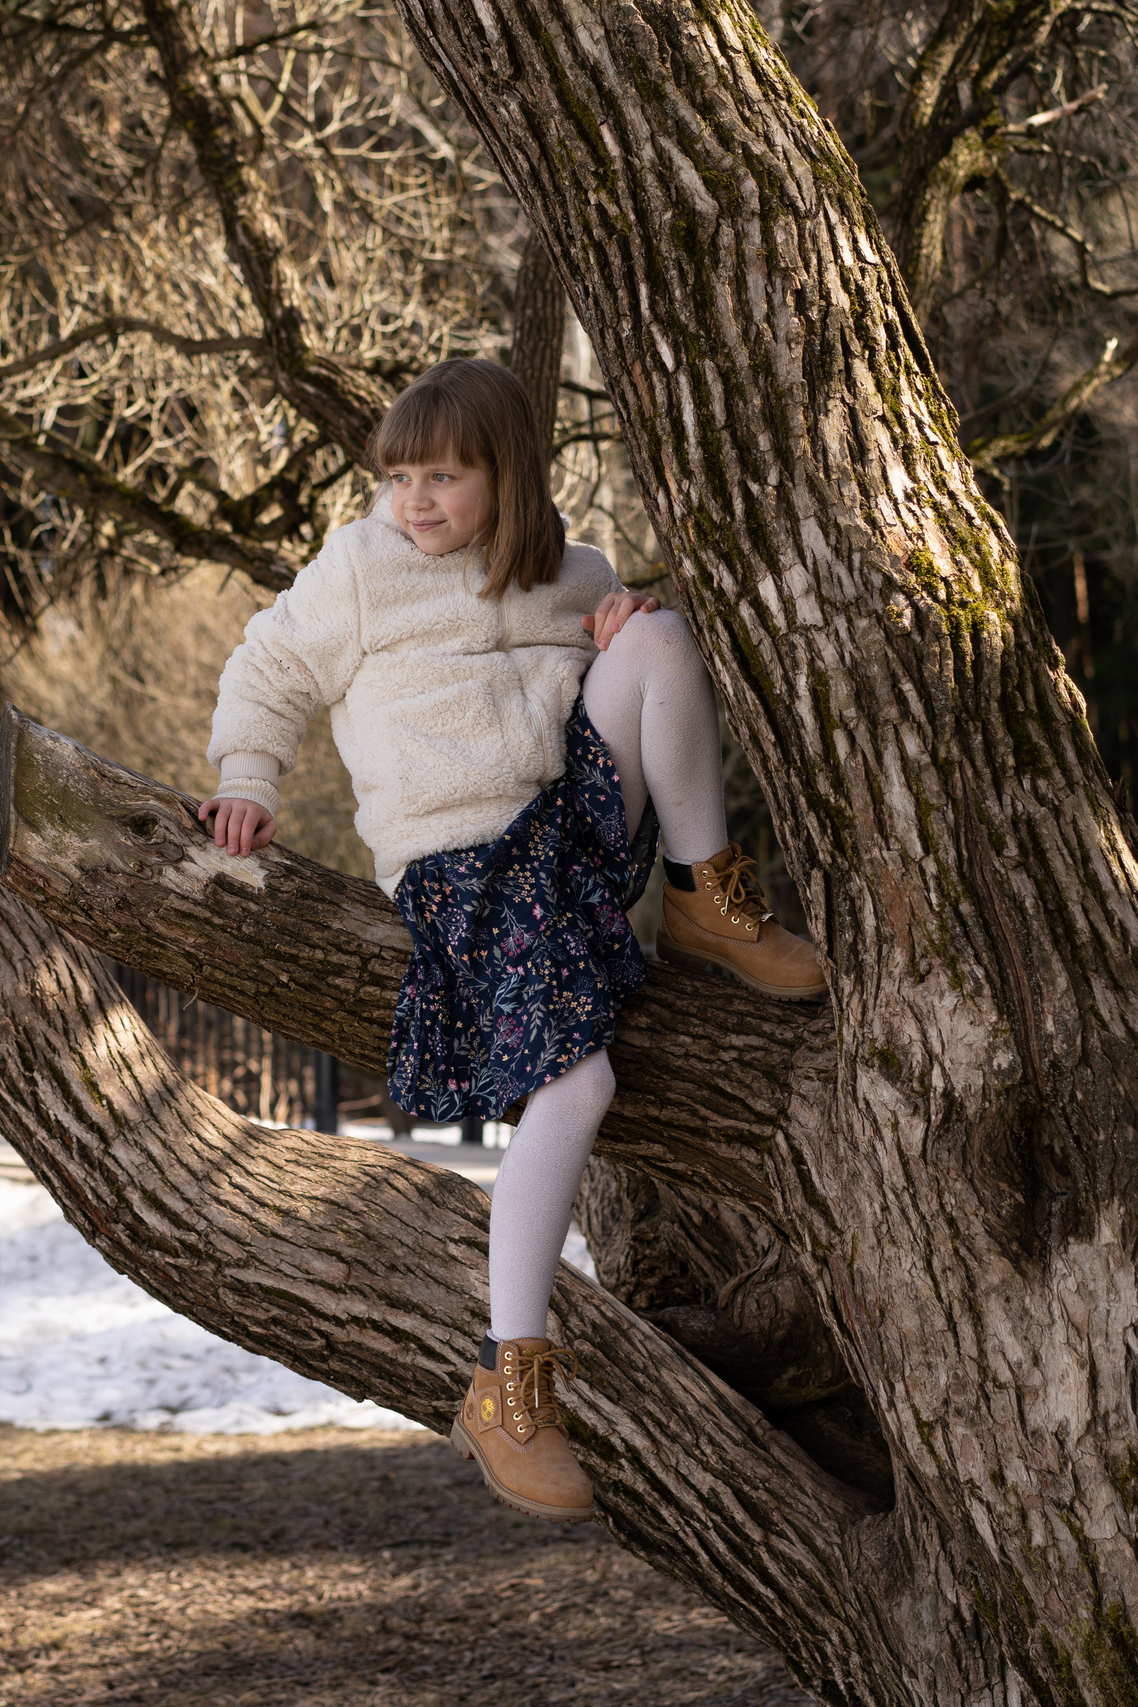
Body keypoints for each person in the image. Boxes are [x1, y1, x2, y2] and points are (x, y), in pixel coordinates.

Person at [197, 357, 824, 1523]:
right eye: (398, 478)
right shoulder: (359, 572)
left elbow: (628, 700)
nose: (416, 501)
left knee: (657, 640)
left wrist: (615, 625)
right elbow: (270, 669)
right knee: (575, 1088)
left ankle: (708, 898)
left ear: (508, 476)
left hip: (571, 839)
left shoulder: (568, 572)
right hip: (462, 869)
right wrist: (247, 778)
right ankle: (509, 1380)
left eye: (444, 476)